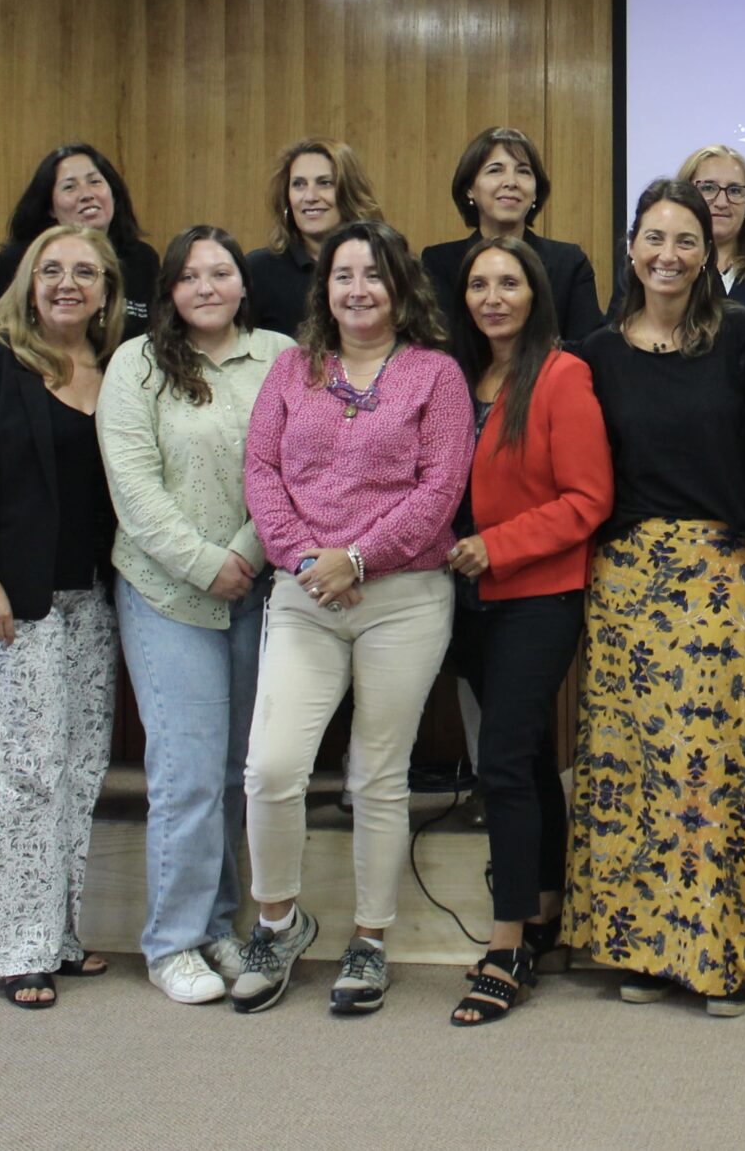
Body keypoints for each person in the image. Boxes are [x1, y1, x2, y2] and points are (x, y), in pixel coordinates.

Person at [565, 179, 745, 1017]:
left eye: (687, 240)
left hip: (723, 571)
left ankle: (723, 959)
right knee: (637, 773)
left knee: (710, 772)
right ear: (630, 248)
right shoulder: (592, 353)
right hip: (624, 580)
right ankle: (648, 948)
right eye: (654, 237)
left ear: (709, 253)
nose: (669, 254)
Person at [236, 220, 472, 1016]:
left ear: (400, 288)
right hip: (304, 594)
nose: (359, 288)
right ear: (324, 290)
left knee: (378, 774)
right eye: (344, 275)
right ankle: (279, 920)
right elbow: (261, 470)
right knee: (272, 767)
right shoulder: (289, 370)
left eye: (374, 274)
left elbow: (440, 488)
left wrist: (359, 558)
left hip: (401, 597)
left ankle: (370, 939)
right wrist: (308, 560)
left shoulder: (435, 375)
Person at [95, 227, 291, 1005]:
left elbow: (286, 464)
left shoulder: (278, 355)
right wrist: (208, 563)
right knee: (185, 774)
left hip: (256, 586)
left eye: (221, 271)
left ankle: (217, 923)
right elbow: (134, 490)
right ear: (169, 290)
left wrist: (246, 548)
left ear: (244, 284)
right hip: (166, 592)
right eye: (189, 275)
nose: (206, 285)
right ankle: (170, 940)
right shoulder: (134, 363)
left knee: (234, 773)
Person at [0, 224, 125, 1009]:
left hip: (91, 601)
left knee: (76, 772)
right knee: (16, 775)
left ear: (108, 289)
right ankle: (15, 949)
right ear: (28, 281)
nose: (68, 282)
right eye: (52, 269)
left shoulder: (117, 370)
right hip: (9, 606)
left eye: (85, 271)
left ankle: (59, 932)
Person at [444, 237, 613, 1027]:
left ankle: (507, 939)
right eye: (478, 283)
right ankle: (546, 905)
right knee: (527, 756)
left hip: (538, 591)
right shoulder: (455, 377)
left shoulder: (561, 372)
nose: (493, 296)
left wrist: (497, 545)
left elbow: (588, 497)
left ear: (534, 292)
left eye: (508, 281)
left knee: (504, 757)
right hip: (462, 594)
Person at [610, 143, 745, 354]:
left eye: (735, 191)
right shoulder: (652, 267)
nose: (722, 202)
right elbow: (616, 342)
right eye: (708, 188)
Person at [423, 126, 606, 350]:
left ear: (536, 191)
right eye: (495, 170)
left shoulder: (568, 262)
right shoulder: (438, 263)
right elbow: (437, 348)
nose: (511, 182)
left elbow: (585, 349)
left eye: (523, 171)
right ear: (469, 189)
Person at [0, 143, 157, 329]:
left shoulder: (143, 259)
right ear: (50, 208)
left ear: (113, 193)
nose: (87, 194)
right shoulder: (24, 258)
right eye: (70, 187)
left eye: (95, 181)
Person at [243, 139, 386, 334]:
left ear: (349, 192)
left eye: (325, 183)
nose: (310, 197)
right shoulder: (258, 270)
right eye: (299, 184)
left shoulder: (387, 262)